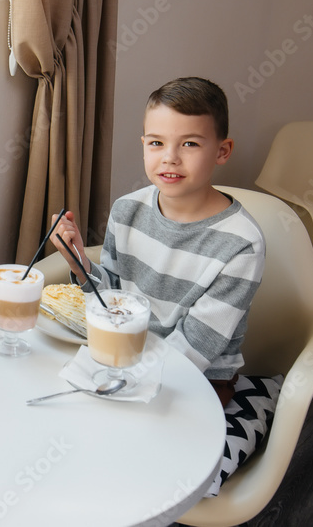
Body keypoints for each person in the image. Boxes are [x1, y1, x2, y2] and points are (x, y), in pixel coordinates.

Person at [50, 76, 265, 406]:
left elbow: (197, 347)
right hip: (124, 354)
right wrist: (79, 263)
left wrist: (123, 381)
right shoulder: (127, 210)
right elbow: (113, 301)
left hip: (198, 379)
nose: (170, 158)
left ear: (222, 151)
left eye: (190, 144)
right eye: (156, 143)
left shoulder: (241, 244)